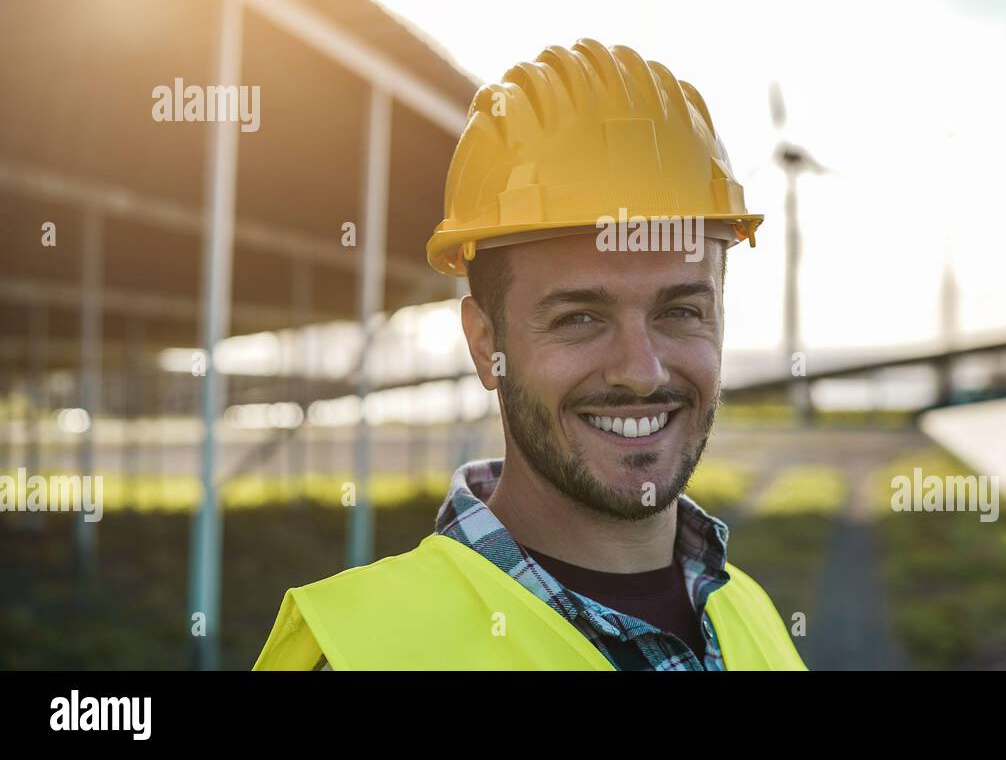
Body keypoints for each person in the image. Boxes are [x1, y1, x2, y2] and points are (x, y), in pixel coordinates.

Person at [253, 39, 807, 670]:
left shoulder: (751, 616)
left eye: (679, 312)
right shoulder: (368, 654)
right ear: (485, 343)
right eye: (579, 319)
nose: (640, 371)